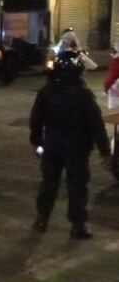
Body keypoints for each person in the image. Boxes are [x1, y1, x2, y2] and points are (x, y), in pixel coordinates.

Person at [30, 50, 110, 238]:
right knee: (77, 185)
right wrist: (104, 149)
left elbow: (36, 120)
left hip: (52, 145)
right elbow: (96, 123)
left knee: (49, 183)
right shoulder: (83, 95)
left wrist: (37, 142)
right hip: (77, 148)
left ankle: (42, 219)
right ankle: (78, 224)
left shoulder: (46, 92)